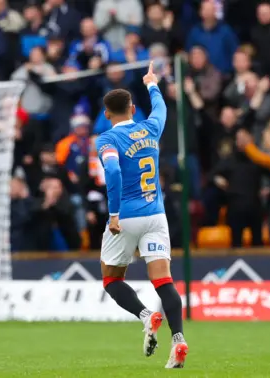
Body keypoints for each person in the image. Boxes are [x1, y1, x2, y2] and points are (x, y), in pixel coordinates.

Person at [94, 62, 187, 368]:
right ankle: (179, 341)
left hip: (127, 217)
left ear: (107, 114)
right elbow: (160, 109)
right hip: (156, 214)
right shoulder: (150, 128)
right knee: (164, 281)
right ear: (133, 109)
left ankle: (147, 316)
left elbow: (112, 170)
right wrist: (152, 83)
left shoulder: (107, 140)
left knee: (111, 279)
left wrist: (114, 213)